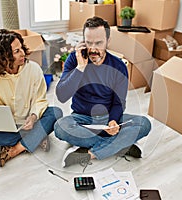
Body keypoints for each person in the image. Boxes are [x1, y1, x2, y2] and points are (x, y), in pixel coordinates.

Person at [54, 16, 151, 170]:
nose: (92, 49)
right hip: (82, 118)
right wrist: (80, 68)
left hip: (108, 118)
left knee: (144, 124)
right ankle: (120, 145)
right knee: (60, 127)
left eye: (98, 43)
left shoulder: (119, 66)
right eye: (88, 42)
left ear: (108, 41)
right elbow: (62, 95)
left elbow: (119, 102)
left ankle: (89, 153)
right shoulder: (75, 59)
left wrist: (113, 121)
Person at [0, 29, 63, 167]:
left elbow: (40, 100)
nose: (23, 53)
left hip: (32, 120)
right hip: (9, 127)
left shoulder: (34, 69)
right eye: (16, 51)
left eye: (21, 48)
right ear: (2, 56)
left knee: (56, 112)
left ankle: (17, 149)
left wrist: (33, 117)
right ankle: (38, 136)